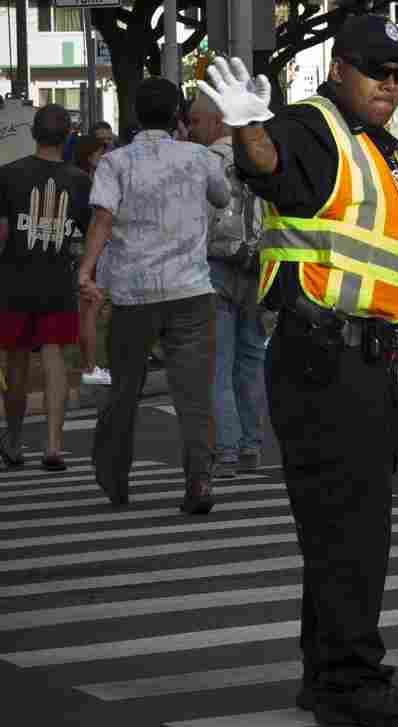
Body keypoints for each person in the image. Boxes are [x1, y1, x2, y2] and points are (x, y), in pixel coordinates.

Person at [197, 15, 398, 727]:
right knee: (352, 535)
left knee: (341, 531)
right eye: (378, 70)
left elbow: (392, 261)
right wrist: (248, 127)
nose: (391, 84)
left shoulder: (380, 149)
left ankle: (326, 676)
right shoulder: (312, 128)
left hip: (371, 360)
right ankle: (353, 680)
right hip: (328, 362)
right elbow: (271, 169)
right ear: (339, 68)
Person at [77, 77, 231, 513]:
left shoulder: (115, 162)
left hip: (133, 293)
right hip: (191, 290)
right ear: (178, 116)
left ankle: (115, 478)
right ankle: (200, 481)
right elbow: (221, 198)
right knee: (194, 394)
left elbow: (102, 219)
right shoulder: (200, 157)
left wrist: (87, 270)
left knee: (124, 390)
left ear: (134, 116)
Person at [0, 105, 92, 472]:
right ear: (67, 136)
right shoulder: (80, 181)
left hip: (14, 281)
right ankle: (54, 446)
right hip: (58, 282)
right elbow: (88, 235)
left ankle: (14, 440)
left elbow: (2, 234)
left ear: (33, 134)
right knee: (55, 359)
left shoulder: (8, 175)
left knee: (17, 360)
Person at [187, 91, 267, 478]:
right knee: (251, 361)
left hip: (216, 266)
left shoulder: (205, 161)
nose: (190, 129)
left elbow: (197, 222)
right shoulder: (260, 159)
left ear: (217, 121)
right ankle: (252, 444)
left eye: (195, 121)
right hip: (257, 265)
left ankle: (227, 450)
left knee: (218, 364)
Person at [71, 135, 112, 386]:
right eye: (100, 152)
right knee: (91, 309)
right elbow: (96, 221)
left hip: (86, 250)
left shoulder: (81, 178)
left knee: (89, 310)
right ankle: (90, 366)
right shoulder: (86, 181)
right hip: (93, 251)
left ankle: (89, 365)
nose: (104, 156)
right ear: (89, 155)